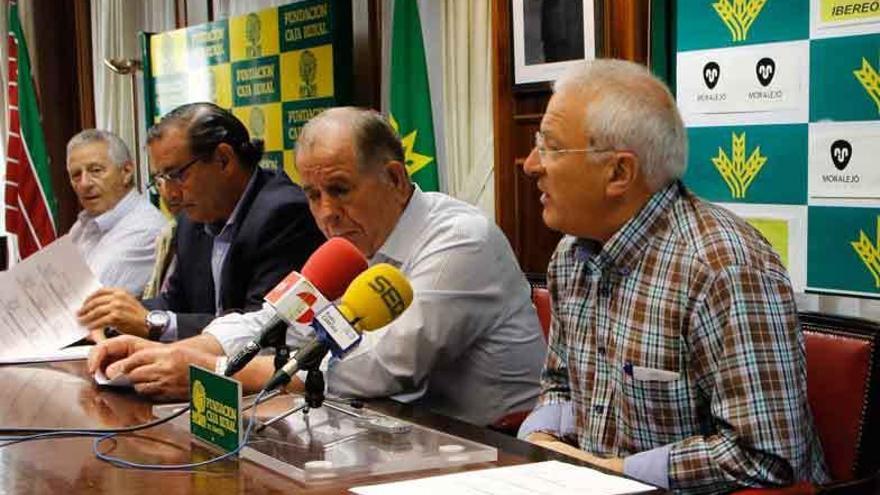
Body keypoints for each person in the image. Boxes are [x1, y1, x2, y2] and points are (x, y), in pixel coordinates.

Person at [88, 107, 546, 426]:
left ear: (394, 178)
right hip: (401, 431)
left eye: (341, 190)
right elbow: (276, 321)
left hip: (491, 448)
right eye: (312, 194)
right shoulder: (350, 247)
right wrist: (179, 351)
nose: (326, 212)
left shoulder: (459, 240)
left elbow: (381, 368)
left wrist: (214, 369)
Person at [516, 59, 827, 492]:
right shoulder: (572, 255)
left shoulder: (721, 268)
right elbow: (561, 385)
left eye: (549, 147)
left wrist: (617, 473)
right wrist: (542, 439)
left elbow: (766, 456)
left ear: (619, 173)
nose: (531, 164)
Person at [77, 102, 325, 342]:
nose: (171, 193)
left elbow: (263, 330)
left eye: (176, 175)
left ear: (223, 160)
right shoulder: (192, 219)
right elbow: (174, 303)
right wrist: (113, 318)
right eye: (162, 178)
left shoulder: (284, 214)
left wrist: (153, 323)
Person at [66, 129, 166, 295]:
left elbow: (85, 303)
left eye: (96, 170)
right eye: (76, 175)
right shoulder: (81, 227)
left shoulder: (146, 230)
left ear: (126, 172)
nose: (84, 184)